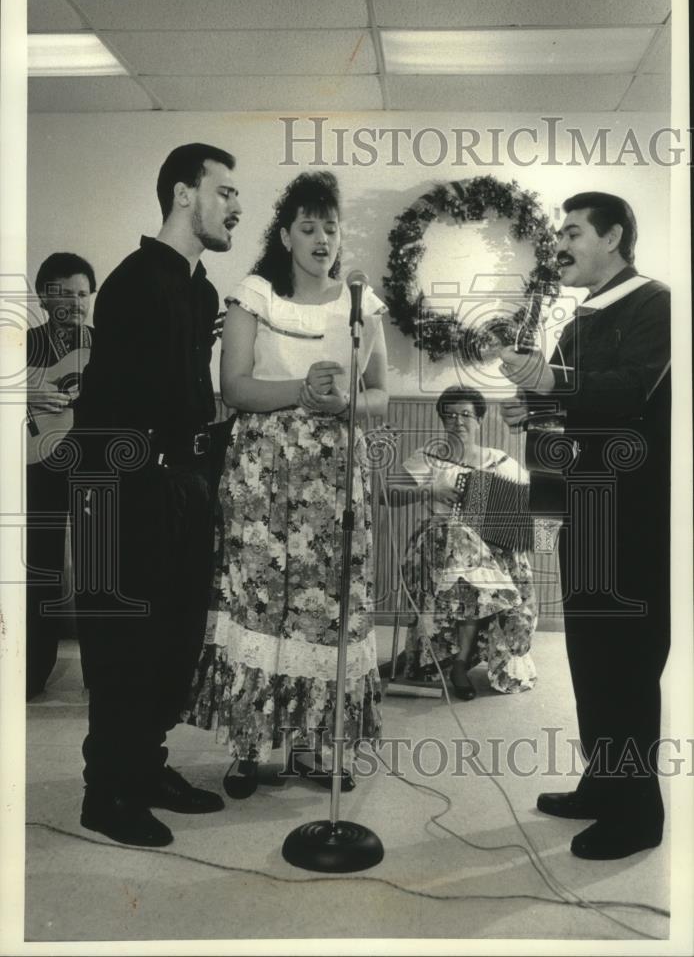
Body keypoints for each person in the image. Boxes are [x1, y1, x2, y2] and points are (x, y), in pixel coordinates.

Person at [185, 171, 388, 798]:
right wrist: (301, 394)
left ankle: (309, 747)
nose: (323, 238)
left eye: (331, 227)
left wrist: (345, 402)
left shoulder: (362, 304)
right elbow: (235, 387)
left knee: (326, 608)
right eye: (309, 227)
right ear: (285, 235)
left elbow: (381, 394)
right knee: (258, 599)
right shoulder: (252, 296)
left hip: (334, 476)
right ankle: (248, 746)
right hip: (263, 470)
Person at [73, 143, 242, 847]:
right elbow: (120, 405)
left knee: (171, 638)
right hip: (124, 483)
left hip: (179, 482)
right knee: (124, 642)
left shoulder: (200, 290)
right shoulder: (134, 282)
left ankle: (145, 767)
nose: (237, 205)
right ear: (183, 195)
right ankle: (104, 791)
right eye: (225, 190)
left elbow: (190, 394)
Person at [500, 191, 670, 861]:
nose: (560, 246)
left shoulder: (656, 303)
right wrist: (533, 410)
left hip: (636, 510)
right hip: (588, 510)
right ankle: (603, 784)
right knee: (592, 658)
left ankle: (638, 813)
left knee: (628, 664)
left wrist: (552, 383)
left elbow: (630, 391)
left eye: (572, 232)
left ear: (615, 236)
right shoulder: (578, 319)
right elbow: (574, 406)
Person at [388, 385, 538, 701]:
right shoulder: (428, 458)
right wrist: (427, 492)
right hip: (439, 540)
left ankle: (460, 661)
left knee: (480, 556)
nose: (458, 421)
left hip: (487, 546)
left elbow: (535, 502)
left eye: (466, 414)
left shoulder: (498, 461)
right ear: (442, 420)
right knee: (461, 542)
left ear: (479, 420)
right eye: (450, 415)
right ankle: (457, 664)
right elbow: (389, 496)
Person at [26, 253, 96, 699]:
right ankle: (31, 671)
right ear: (44, 297)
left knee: (97, 569)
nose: (77, 302)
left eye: (84, 294)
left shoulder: (107, 343)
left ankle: (102, 675)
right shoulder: (20, 343)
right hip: (36, 464)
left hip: (93, 464)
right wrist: (21, 390)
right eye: (66, 293)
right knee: (40, 568)